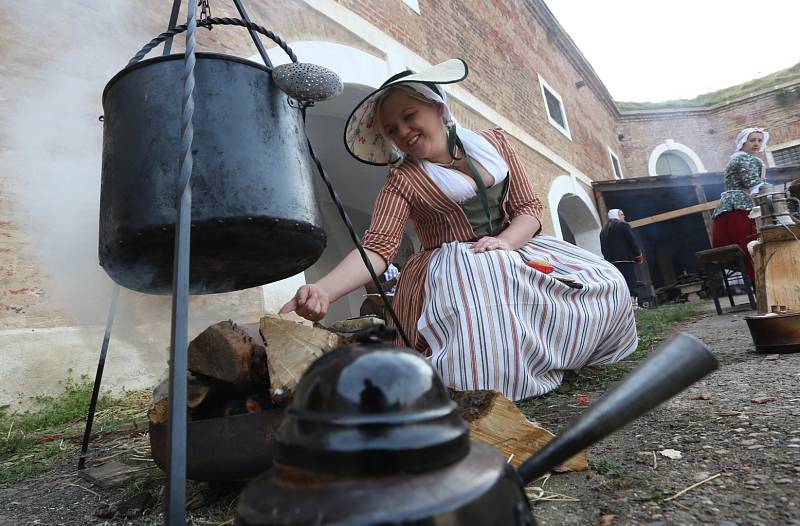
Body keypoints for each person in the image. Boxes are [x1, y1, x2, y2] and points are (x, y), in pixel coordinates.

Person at [280, 59, 637, 400]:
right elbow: (378, 248)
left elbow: (528, 209)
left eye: (409, 116)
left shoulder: (494, 143)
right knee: (485, 281)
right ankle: (490, 376)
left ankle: (554, 353)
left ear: (437, 108)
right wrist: (322, 290)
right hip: (448, 267)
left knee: (606, 281)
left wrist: (505, 242)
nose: (403, 132)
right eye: (392, 129)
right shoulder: (401, 179)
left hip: (515, 246)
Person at [711, 127, 769, 282]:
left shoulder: (740, 158)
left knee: (746, 249)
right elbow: (753, 184)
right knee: (750, 246)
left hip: (733, 207)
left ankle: (755, 282)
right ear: (743, 142)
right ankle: (760, 282)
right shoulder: (744, 159)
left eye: (759, 140)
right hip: (739, 209)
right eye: (752, 140)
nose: (756, 143)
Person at [599, 209, 644, 307]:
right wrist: (638, 255)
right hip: (626, 260)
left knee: (619, 285)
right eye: (622, 214)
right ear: (616, 215)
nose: (624, 216)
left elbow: (603, 249)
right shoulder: (623, 226)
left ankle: (623, 307)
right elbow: (632, 242)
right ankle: (633, 306)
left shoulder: (603, 230)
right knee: (630, 282)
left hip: (611, 264)